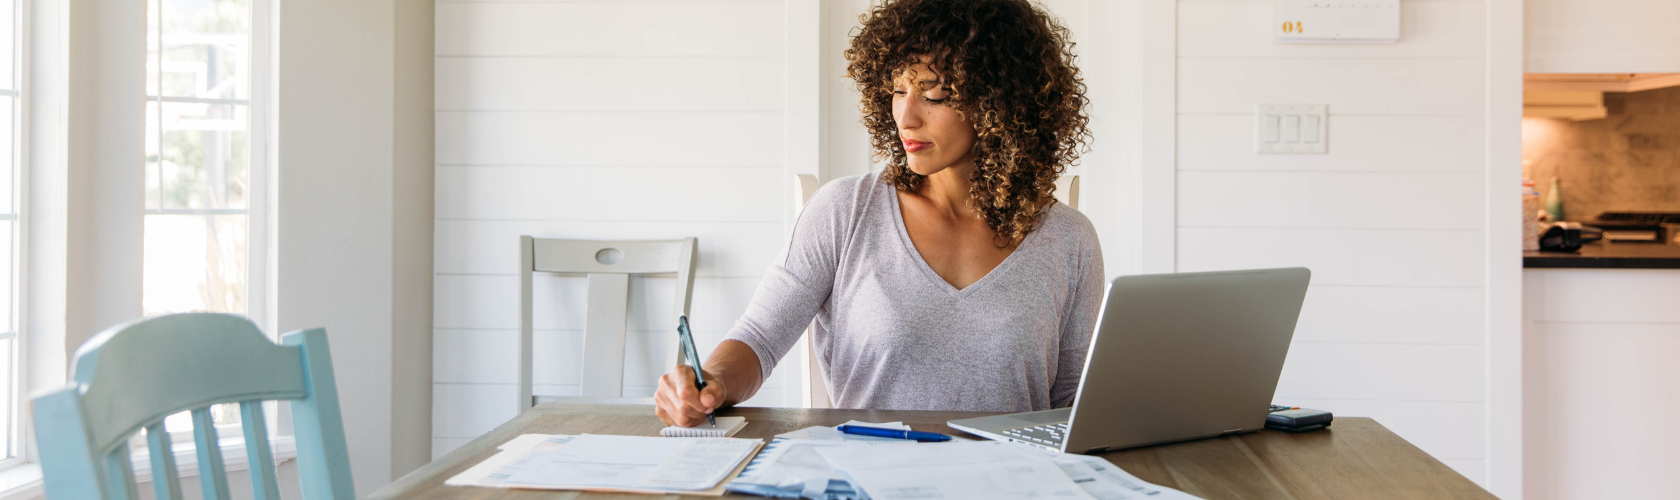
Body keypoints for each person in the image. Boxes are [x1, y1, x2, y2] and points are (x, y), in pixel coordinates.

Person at [656, 0, 1100, 427]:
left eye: (936, 95)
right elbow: (757, 339)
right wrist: (709, 382)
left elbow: (1073, 407)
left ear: (1000, 103)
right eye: (897, 90)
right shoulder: (845, 211)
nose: (905, 117)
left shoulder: (1069, 239)